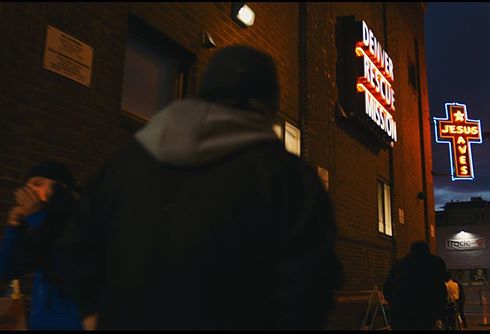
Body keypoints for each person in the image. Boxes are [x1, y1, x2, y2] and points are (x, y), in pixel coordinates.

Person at [56, 46, 343, 330]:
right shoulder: (289, 178)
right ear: (269, 104)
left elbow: (76, 246)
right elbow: (310, 284)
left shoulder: (125, 163)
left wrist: (91, 311)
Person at [0, 161, 82, 330]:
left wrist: (37, 216)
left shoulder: (83, 221)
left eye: (38, 184)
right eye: (27, 187)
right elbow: (5, 270)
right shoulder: (40, 224)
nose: (31, 192)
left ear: (61, 187)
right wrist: (14, 228)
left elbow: (64, 266)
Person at [383, 241, 447, 330]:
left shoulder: (400, 263)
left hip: (401, 307)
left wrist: (394, 302)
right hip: (426, 308)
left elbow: (387, 287)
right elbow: (442, 286)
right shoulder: (436, 262)